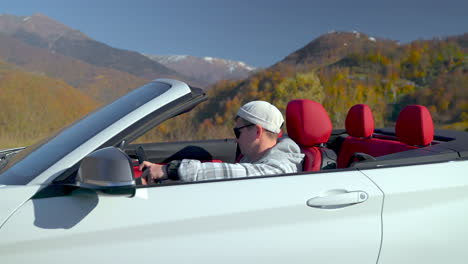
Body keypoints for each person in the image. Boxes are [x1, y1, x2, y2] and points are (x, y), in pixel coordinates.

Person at [139, 101, 304, 184]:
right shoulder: (254, 160)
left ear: (258, 131)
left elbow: (247, 174)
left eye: (237, 132)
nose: (234, 139)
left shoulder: (283, 167)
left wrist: (172, 170)